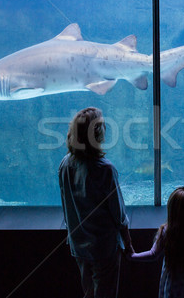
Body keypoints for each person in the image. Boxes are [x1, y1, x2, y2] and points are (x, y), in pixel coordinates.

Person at [58, 107, 133, 298]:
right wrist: (128, 244)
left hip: (78, 244)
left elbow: (66, 204)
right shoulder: (105, 169)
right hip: (104, 247)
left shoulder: (65, 164)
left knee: (89, 292)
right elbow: (119, 215)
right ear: (97, 134)